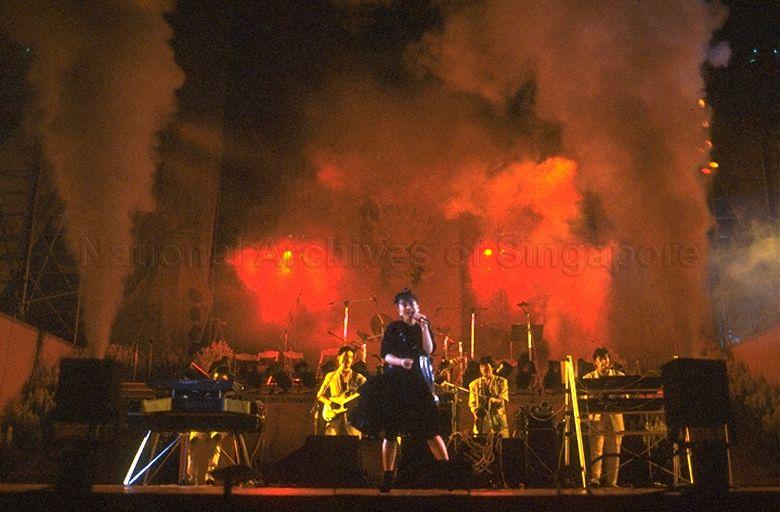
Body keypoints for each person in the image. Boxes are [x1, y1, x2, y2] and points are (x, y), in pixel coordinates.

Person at [352, 289, 450, 492]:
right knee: (390, 432)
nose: (408, 307)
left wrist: (424, 327)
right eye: (403, 304)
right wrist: (400, 361)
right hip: (395, 382)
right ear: (398, 310)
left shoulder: (423, 326)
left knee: (430, 430)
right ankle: (388, 476)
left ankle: (448, 473)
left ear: (417, 307)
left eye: (411, 304)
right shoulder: (393, 328)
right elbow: (385, 355)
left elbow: (429, 350)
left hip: (418, 383)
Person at [583, 347, 625, 487]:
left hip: (614, 417)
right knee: (597, 450)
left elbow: (626, 395)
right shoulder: (588, 378)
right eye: (601, 359)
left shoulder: (619, 376)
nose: (604, 362)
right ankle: (595, 480)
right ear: (595, 363)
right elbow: (583, 396)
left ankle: (612, 481)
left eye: (606, 359)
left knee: (614, 450)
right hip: (596, 418)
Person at [316, 345, 366, 436]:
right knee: (331, 442)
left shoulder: (358, 377)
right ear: (339, 357)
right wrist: (331, 403)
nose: (348, 359)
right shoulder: (330, 376)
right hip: (334, 415)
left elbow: (367, 393)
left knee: (354, 442)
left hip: (352, 416)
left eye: (351, 357)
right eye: (345, 356)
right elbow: (320, 395)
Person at [468, 356, 510, 437]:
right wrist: (477, 414)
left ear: (492, 367)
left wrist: (493, 400)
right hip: (482, 426)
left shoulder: (502, 382)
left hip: (498, 424)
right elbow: (472, 404)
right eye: (482, 366)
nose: (484, 369)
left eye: (486, 366)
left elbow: (503, 400)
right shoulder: (474, 385)